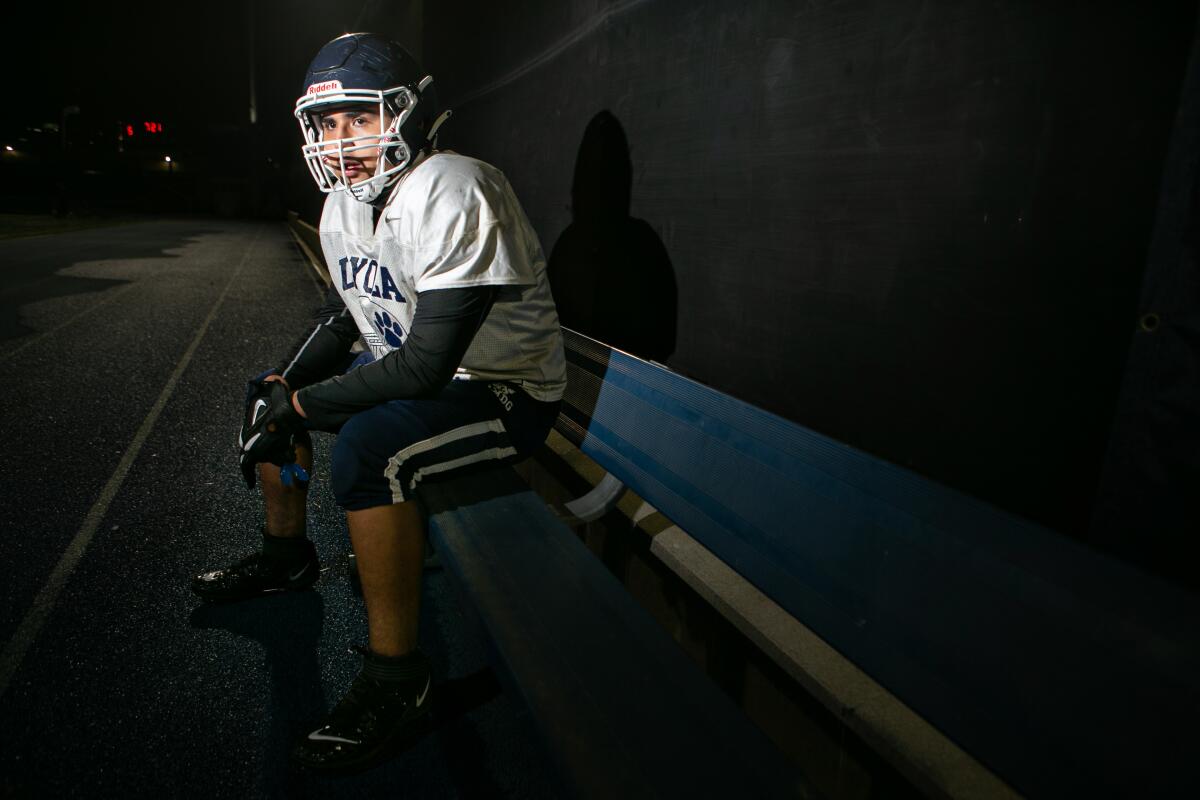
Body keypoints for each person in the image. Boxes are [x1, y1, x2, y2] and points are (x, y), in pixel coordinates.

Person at [191, 32, 566, 772]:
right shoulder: (344, 205)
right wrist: (283, 388)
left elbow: (427, 368)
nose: (341, 142)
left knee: (370, 446)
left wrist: (303, 411)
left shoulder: (454, 184)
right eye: (327, 124)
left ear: (410, 113)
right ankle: (285, 556)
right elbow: (347, 317)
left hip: (502, 392)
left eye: (360, 118)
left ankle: (402, 678)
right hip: (427, 376)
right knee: (273, 389)